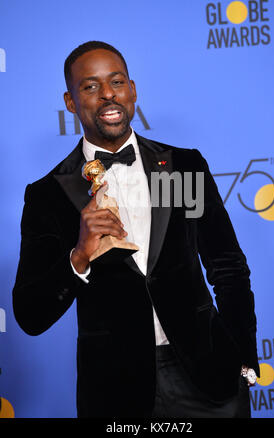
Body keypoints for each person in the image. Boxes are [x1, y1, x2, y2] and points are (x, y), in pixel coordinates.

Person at [13, 41, 259, 418]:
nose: (108, 94)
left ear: (133, 90)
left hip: (208, 380)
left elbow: (227, 266)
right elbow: (30, 315)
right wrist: (79, 256)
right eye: (90, 86)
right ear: (69, 101)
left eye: (117, 82)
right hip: (116, 392)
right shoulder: (51, 194)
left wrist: (243, 354)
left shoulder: (180, 169)